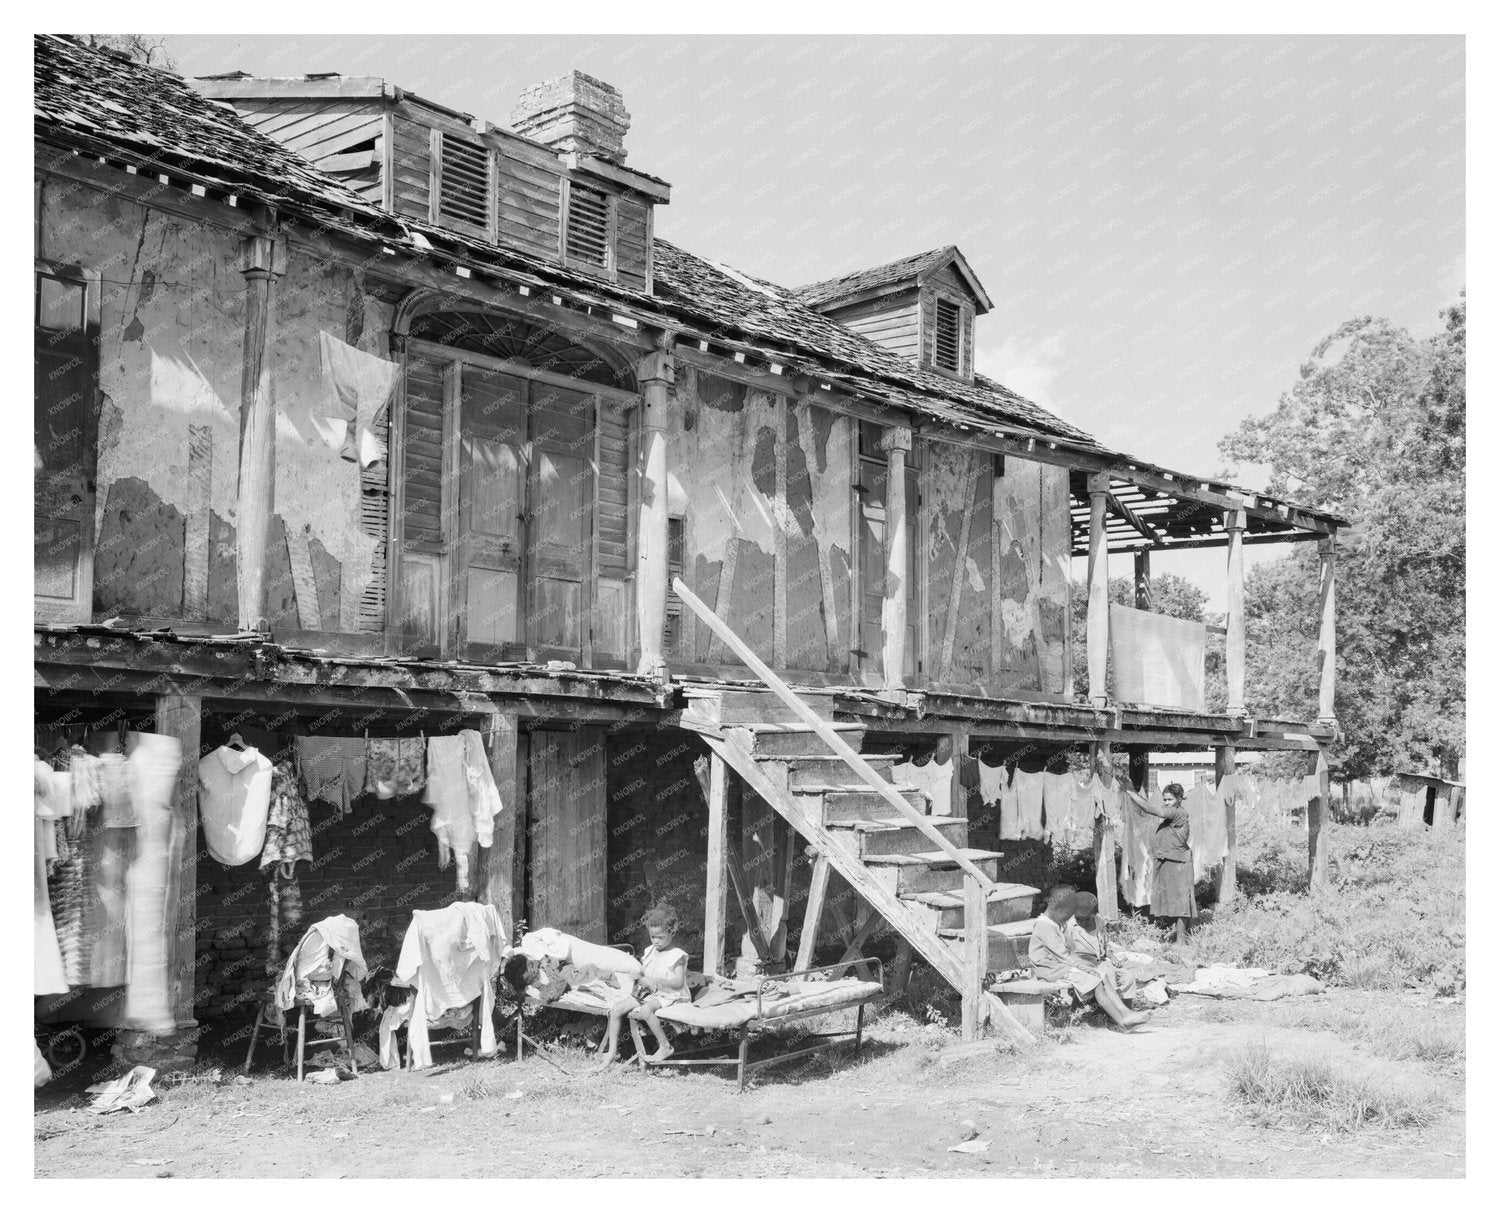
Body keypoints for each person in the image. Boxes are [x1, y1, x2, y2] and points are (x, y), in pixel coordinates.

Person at [1028, 886, 1147, 1029]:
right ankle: (1122, 1022)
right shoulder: (1045, 927)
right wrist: (1087, 969)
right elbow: (1065, 957)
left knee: (1102, 975)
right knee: (1097, 981)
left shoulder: (1051, 925)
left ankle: (1125, 1012)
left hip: (1060, 967)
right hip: (1050, 970)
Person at [596, 903, 690, 1066]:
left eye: (660, 937)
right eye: (653, 937)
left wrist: (653, 981)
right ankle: (612, 1052)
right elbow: (646, 972)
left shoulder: (676, 956)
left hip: (670, 994)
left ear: (672, 932)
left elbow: (678, 983)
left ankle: (665, 1046)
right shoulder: (650, 951)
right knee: (617, 1008)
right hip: (651, 992)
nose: (656, 941)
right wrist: (639, 975)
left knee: (646, 1010)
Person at [1121, 780, 1195, 943]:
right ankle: (1185, 936)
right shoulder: (1175, 813)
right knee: (1179, 901)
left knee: (1181, 902)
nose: (1167, 803)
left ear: (1180, 798)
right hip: (1172, 860)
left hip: (1178, 863)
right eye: (1165, 800)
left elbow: (1150, 809)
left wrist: (1130, 792)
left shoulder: (1177, 813)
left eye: (1170, 799)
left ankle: (1182, 941)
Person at [1066, 892, 1138, 1002]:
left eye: (1087, 919)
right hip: (1082, 965)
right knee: (1108, 976)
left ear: (1094, 914)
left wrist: (1113, 957)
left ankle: (1126, 1008)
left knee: (1128, 977)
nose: (1083, 922)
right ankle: (1110, 1011)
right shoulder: (1068, 927)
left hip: (1101, 962)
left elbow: (1105, 945)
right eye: (1079, 919)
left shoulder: (1099, 922)